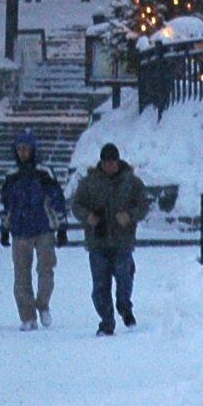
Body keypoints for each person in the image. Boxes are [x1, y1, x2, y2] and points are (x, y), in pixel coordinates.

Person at [72, 142, 152, 336]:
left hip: (122, 240)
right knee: (100, 286)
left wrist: (130, 216)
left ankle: (124, 306)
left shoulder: (131, 182)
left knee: (124, 278)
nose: (109, 165)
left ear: (118, 162)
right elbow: (77, 205)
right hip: (97, 241)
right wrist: (88, 217)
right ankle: (106, 321)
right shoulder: (89, 182)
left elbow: (143, 204)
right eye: (106, 162)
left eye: (112, 162)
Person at [0, 131, 69, 330]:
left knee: (45, 270)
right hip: (20, 230)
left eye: (26, 149)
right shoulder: (11, 176)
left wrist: (62, 226)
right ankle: (27, 316)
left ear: (33, 150)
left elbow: (57, 199)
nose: (23, 153)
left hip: (43, 227)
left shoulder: (44, 172)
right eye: (19, 149)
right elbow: (7, 204)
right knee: (21, 275)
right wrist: (4, 227)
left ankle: (43, 304)